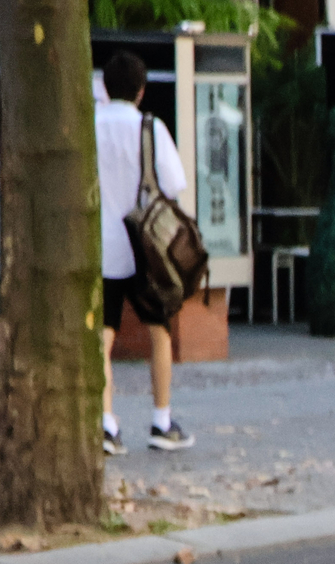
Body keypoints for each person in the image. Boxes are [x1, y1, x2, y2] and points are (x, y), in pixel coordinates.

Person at [95, 51, 192, 455]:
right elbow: (173, 185)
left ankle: (105, 424)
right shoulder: (150, 128)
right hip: (145, 250)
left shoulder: (89, 127)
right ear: (140, 91)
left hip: (100, 247)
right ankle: (161, 420)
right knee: (159, 332)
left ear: (104, 87)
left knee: (103, 336)